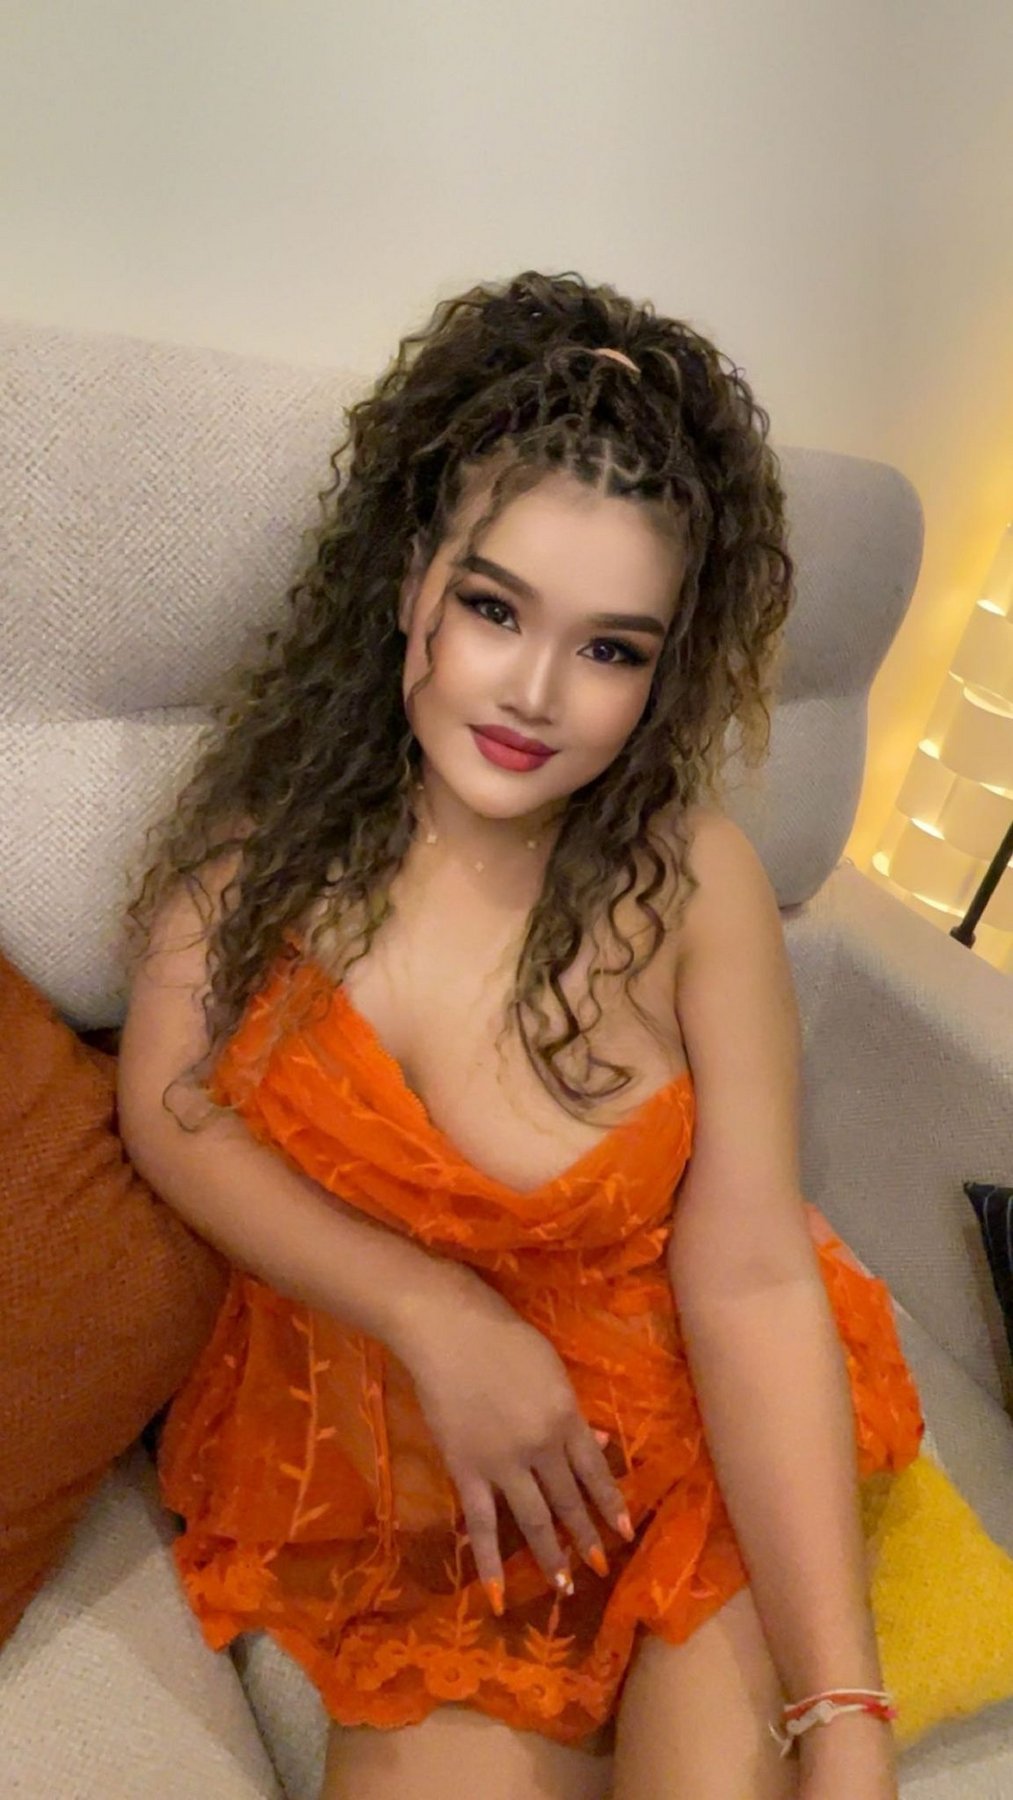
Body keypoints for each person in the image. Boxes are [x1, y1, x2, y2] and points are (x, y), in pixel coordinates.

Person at [117, 269, 923, 1800]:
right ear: (409, 580)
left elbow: (751, 1273)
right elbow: (171, 1109)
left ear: (663, 673)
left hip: (693, 1442)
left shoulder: (693, 888)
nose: (536, 694)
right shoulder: (254, 868)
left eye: (611, 649)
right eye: (494, 609)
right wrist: (432, 1312)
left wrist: (844, 1710)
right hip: (429, 1488)